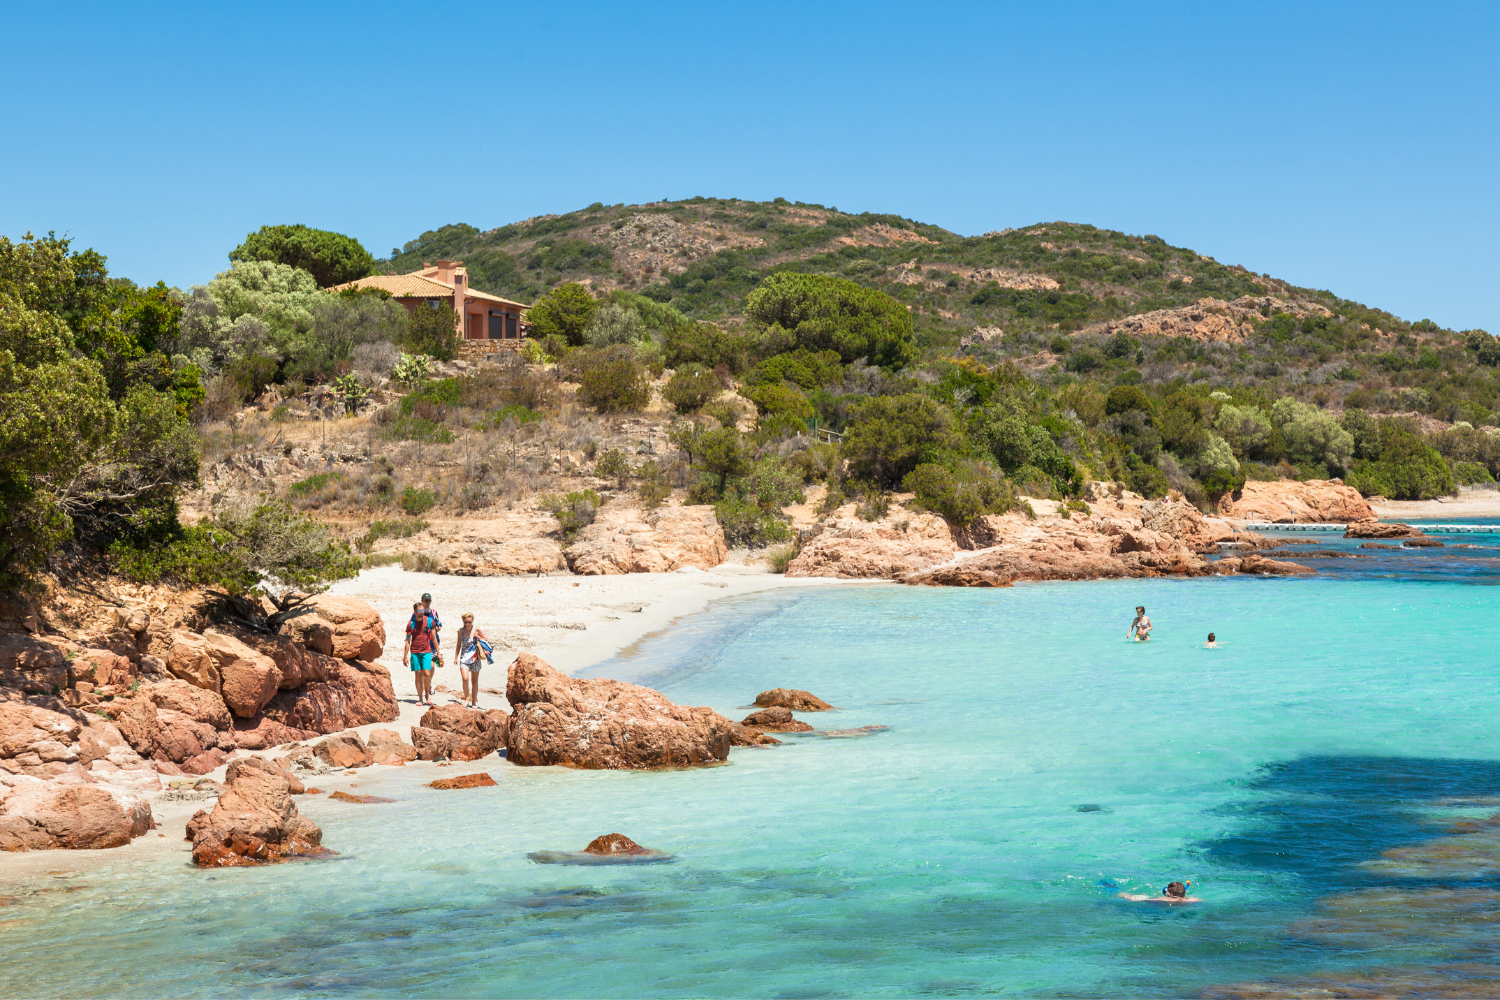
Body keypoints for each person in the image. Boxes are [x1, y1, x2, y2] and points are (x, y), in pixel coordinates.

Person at [453, 613, 493, 708]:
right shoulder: (460, 631)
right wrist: (455, 657)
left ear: (472, 621)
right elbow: (458, 644)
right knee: (465, 678)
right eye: (466, 622)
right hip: (464, 658)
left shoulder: (476, 629)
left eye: (469, 622)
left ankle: (474, 701)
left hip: (475, 658)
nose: (467, 624)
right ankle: (467, 698)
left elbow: (485, 639)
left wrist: (477, 636)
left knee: (474, 682)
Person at [404, 602, 438, 706]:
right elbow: (407, 641)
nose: (422, 612)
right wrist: (405, 656)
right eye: (420, 610)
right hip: (415, 652)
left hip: (426, 651)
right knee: (418, 675)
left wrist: (439, 652)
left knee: (427, 674)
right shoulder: (411, 624)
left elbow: (434, 638)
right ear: (415, 611)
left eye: (423, 610)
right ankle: (420, 698)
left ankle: (427, 695)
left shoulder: (429, 621)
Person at [1119, 881, 1200, 904]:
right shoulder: (1194, 900)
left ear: (1171, 895)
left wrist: (1124, 895)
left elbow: (1135, 898)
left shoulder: (1162, 899)